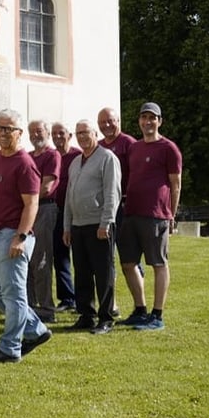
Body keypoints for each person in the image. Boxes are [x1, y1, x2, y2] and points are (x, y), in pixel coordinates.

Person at [0, 109, 52, 362]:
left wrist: (22, 236)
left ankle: (9, 348)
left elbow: (32, 204)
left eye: (8, 129)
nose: (2, 133)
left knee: (14, 294)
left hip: (12, 235)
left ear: (19, 133)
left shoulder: (25, 163)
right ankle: (36, 330)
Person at [120, 102, 182, 330]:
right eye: (144, 117)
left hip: (156, 214)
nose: (148, 122)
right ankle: (140, 309)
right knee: (128, 263)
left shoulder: (169, 148)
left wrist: (171, 215)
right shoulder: (134, 148)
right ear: (139, 121)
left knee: (158, 263)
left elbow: (176, 184)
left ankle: (157, 315)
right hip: (132, 212)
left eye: (152, 118)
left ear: (159, 121)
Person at [61, 120, 121, 335]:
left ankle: (106, 318)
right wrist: (67, 226)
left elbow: (112, 194)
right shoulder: (76, 162)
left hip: (99, 225)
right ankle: (86, 315)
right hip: (78, 225)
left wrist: (106, 223)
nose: (82, 137)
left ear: (95, 134)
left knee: (103, 272)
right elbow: (69, 196)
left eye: (86, 132)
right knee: (82, 273)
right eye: (78, 133)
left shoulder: (107, 158)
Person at [98, 106, 137, 320]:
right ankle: (111, 303)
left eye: (110, 121)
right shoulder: (99, 147)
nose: (106, 125)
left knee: (129, 259)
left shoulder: (128, 143)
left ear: (118, 121)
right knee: (107, 259)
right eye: (102, 122)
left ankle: (139, 305)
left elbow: (135, 174)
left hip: (124, 208)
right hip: (104, 211)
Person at [27, 120, 60, 322]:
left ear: (47, 132)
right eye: (32, 132)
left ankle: (47, 308)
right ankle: (29, 305)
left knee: (41, 259)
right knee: (26, 259)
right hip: (27, 209)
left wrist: (27, 201)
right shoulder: (29, 156)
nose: (35, 135)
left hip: (44, 208)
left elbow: (47, 187)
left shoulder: (52, 155)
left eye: (39, 131)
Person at [50, 122, 81, 312]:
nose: (57, 136)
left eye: (61, 133)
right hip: (56, 211)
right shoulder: (52, 156)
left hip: (76, 211)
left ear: (69, 135)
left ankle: (83, 299)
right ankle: (67, 298)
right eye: (54, 134)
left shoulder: (77, 156)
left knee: (80, 257)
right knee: (59, 256)